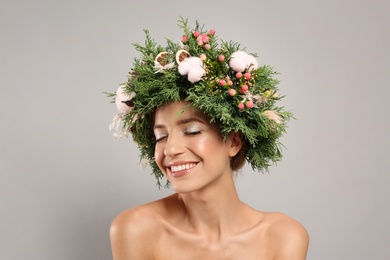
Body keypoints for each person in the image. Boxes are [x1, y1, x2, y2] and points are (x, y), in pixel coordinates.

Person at [107, 17, 309, 259]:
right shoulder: (137, 229)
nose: (170, 149)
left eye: (192, 131)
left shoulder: (282, 237)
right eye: (160, 136)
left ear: (234, 141)